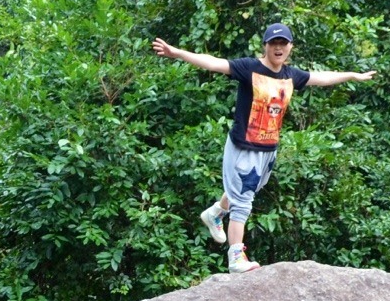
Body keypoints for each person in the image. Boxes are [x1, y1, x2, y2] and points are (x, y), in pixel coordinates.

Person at [151, 23, 375, 273]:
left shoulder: (290, 75)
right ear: (266, 46)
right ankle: (235, 256)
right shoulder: (249, 68)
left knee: (245, 190)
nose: (278, 48)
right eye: (273, 43)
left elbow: (321, 78)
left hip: (267, 149)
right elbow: (213, 62)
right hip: (243, 147)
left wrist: (353, 75)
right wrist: (177, 52)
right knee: (243, 201)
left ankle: (216, 212)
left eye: (283, 43)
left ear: (290, 47)